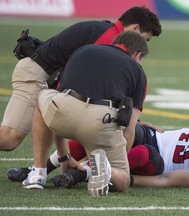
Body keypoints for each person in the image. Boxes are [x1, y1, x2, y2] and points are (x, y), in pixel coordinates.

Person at [9, 85, 189, 189]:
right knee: (107, 129)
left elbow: (167, 180)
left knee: (138, 155)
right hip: (155, 136)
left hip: (158, 160)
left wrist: (126, 179)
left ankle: (83, 173)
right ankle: (41, 167)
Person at [0, 6, 161, 151]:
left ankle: (40, 170)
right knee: (9, 138)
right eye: (145, 39)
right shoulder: (108, 39)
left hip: (48, 78)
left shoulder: (106, 32)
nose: (144, 46)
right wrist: (133, 122)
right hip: (37, 75)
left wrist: (134, 121)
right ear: (135, 28)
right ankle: (42, 169)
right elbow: (101, 88)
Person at [21, 31, 149, 197]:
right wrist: (119, 161)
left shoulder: (84, 50)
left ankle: (38, 174)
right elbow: (130, 128)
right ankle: (107, 170)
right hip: (103, 120)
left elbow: (58, 94)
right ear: (138, 54)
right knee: (123, 179)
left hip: (66, 110)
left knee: (43, 98)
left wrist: (64, 156)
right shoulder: (138, 71)